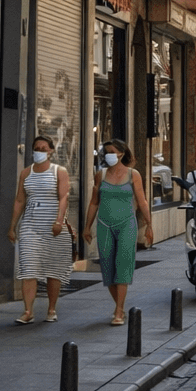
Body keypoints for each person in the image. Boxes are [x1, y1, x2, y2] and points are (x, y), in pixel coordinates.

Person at [83, 139, 154, 326]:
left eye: (112, 151)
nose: (109, 155)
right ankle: (119, 305)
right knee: (108, 268)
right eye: (106, 152)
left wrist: (149, 225)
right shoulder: (101, 175)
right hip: (104, 225)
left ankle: (119, 311)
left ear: (121, 153)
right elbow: (93, 202)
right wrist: (86, 226)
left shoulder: (133, 174)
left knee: (123, 265)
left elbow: (142, 201)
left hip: (126, 225)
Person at [9, 134, 72, 325]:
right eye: (37, 148)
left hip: (53, 226)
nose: (40, 152)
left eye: (44, 149)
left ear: (51, 151)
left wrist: (59, 221)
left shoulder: (59, 171)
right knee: (28, 268)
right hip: (30, 225)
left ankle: (51, 308)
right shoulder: (26, 173)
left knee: (53, 269)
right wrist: (12, 226)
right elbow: (20, 200)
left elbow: (63, 198)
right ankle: (28, 311)